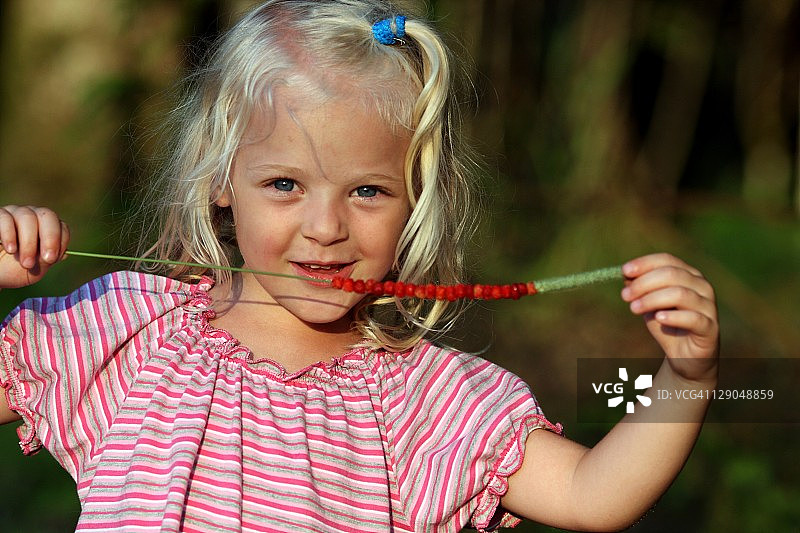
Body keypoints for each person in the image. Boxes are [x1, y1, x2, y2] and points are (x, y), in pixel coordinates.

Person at [0, 1, 719, 531]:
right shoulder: (125, 329)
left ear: (416, 202)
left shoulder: (427, 397)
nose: (325, 227)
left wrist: (687, 376)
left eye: (368, 191)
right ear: (222, 180)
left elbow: (594, 494)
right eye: (284, 184)